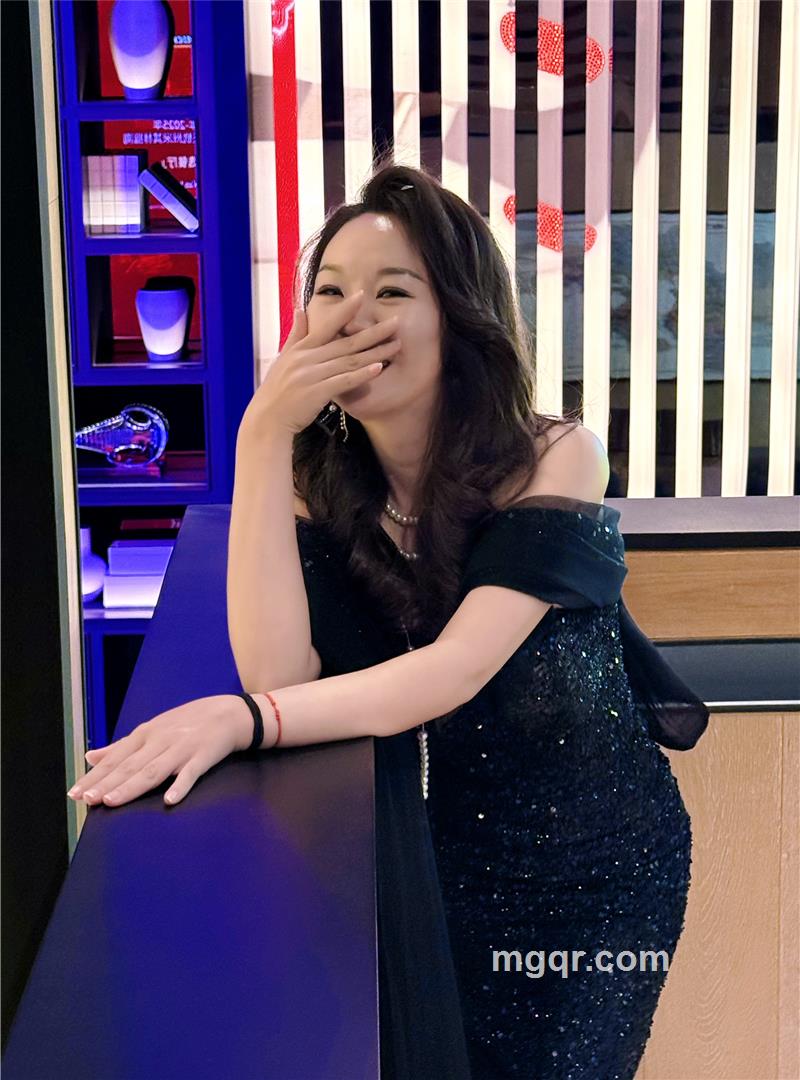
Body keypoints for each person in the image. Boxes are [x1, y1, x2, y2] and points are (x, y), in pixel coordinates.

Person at [68, 161, 708, 1079]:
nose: (351, 316)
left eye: (393, 291)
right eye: (330, 291)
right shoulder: (316, 477)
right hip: (434, 860)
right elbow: (278, 670)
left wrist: (242, 722)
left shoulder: (556, 456)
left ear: (459, 317)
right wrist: (261, 435)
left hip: (593, 876)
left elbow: (452, 670)